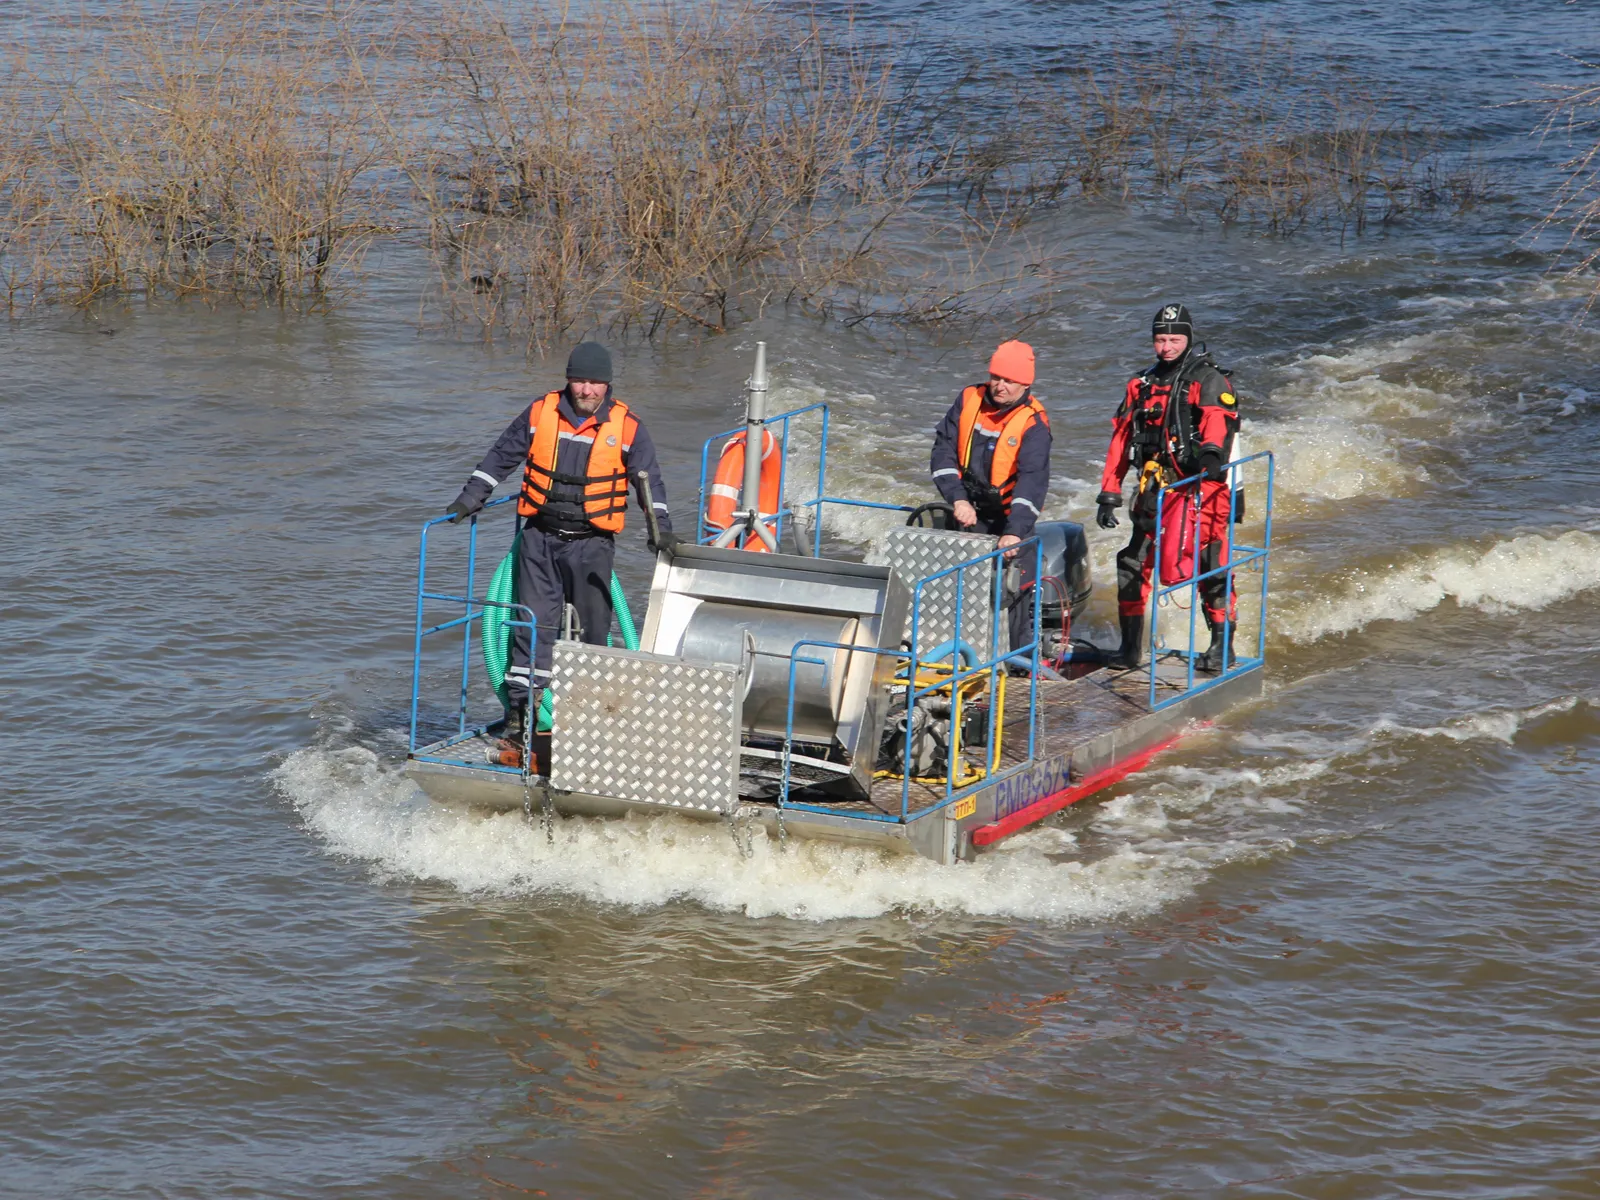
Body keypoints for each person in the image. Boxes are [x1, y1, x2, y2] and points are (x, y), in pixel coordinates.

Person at [444, 341, 675, 745]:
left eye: (594, 382)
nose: (586, 390)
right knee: (532, 628)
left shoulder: (629, 427)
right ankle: (521, 719)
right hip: (539, 541)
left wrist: (662, 530)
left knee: (594, 634)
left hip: (592, 545)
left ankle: (591, 722)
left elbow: (649, 483)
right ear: (568, 380)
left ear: (607, 385)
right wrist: (469, 499)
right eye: (579, 380)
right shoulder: (540, 412)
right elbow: (500, 457)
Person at [1095, 304, 1240, 672]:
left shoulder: (1206, 380)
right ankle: (1130, 649)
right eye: (1161, 339)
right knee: (1131, 562)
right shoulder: (1140, 384)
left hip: (1200, 490)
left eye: (1175, 339)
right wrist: (1109, 493)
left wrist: (1210, 457)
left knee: (1211, 564)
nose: (1167, 347)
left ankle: (1222, 648)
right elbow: (1121, 439)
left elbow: (1217, 423)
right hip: (1154, 491)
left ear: (1188, 339)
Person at [929, 339, 1052, 657]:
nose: (1000, 386)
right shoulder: (969, 399)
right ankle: (957, 659)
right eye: (996, 377)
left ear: (1025, 382)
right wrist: (958, 499)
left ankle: (1020, 667)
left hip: (1010, 522)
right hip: (966, 514)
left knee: (1014, 599)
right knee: (957, 596)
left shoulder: (1034, 424)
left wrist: (1014, 531)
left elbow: (1033, 482)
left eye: (1009, 380)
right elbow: (943, 451)